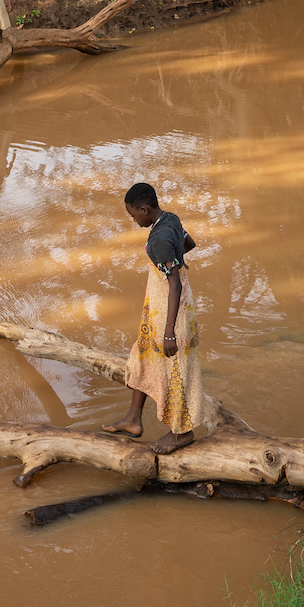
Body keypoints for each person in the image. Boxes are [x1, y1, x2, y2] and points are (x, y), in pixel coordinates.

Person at [101, 182, 202, 453]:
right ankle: (134, 419)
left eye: (134, 215)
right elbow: (189, 243)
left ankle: (183, 434)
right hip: (159, 308)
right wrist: (177, 259)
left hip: (171, 313)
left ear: (145, 209)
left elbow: (175, 285)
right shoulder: (169, 218)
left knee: (175, 370)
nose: (134, 220)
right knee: (144, 357)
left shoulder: (158, 238)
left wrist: (169, 331)